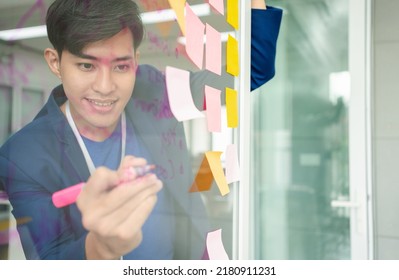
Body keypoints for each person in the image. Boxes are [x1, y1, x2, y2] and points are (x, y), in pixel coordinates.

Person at [0, 0, 282, 259]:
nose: (105, 86)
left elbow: (252, 68)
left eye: (121, 67)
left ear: (134, 61)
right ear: (55, 62)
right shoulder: (24, 156)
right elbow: (51, 260)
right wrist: (101, 247)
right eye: (86, 65)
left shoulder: (153, 91)